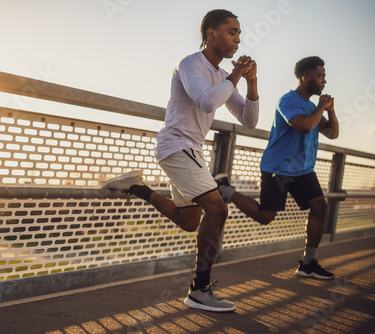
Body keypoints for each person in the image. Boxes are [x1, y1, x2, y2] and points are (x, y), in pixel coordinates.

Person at [102, 9, 259, 312]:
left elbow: (249, 120)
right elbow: (207, 100)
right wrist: (236, 75)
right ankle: (200, 289)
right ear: (212, 33)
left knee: (189, 222)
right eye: (232, 32)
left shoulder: (223, 75)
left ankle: (135, 187)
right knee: (218, 208)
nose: (238, 39)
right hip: (176, 146)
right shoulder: (190, 64)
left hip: (191, 151)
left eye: (239, 33)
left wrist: (251, 82)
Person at [218, 56, 339, 280]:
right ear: (306, 77)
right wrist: (321, 107)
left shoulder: (313, 107)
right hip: (278, 168)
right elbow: (303, 127)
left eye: (324, 76)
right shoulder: (288, 101)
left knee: (320, 205)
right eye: (320, 76)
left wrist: (329, 111)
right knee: (266, 217)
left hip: (303, 169)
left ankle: (308, 263)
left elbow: (332, 133)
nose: (324, 80)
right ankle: (225, 189)